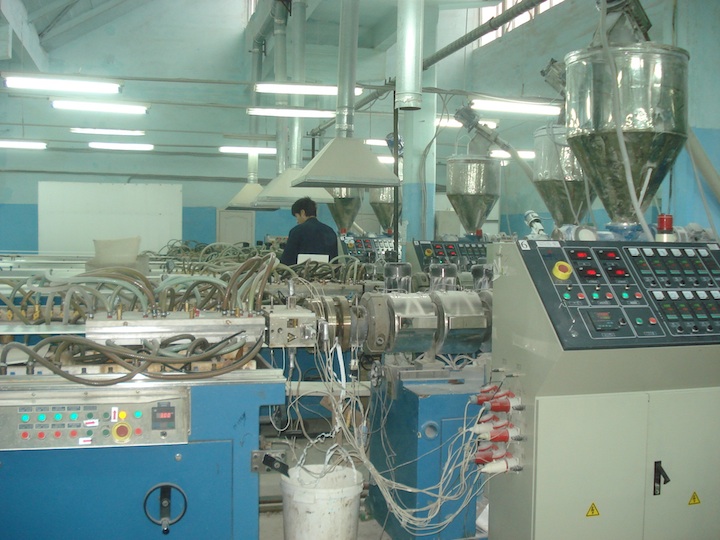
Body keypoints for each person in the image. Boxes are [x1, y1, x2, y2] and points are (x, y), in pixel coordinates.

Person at [279, 197, 338, 265]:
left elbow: (286, 261)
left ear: (302, 213)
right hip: (327, 271)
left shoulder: (296, 231)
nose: (297, 221)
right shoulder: (330, 231)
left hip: (300, 271)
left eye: (297, 216)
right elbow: (335, 261)